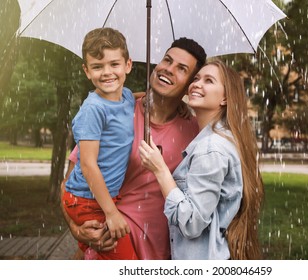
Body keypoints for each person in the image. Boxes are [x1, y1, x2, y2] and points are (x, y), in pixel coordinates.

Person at [61, 37, 207, 260]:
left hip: (165, 252)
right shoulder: (114, 113)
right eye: (167, 60)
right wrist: (76, 229)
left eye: (181, 69)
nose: (168, 69)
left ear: (190, 84)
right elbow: (69, 182)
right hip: (113, 239)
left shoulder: (195, 131)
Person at [139, 59, 264, 259]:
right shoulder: (220, 137)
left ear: (225, 98)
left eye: (209, 80)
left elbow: (192, 223)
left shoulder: (211, 148)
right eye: (196, 78)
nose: (197, 84)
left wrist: (160, 170)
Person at [62, 27, 137, 260]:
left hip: (99, 198)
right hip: (87, 199)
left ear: (128, 65)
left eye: (114, 64)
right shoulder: (93, 110)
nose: (107, 73)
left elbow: (136, 97)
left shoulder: (126, 96)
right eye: (97, 66)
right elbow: (88, 165)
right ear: (87, 71)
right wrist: (111, 212)